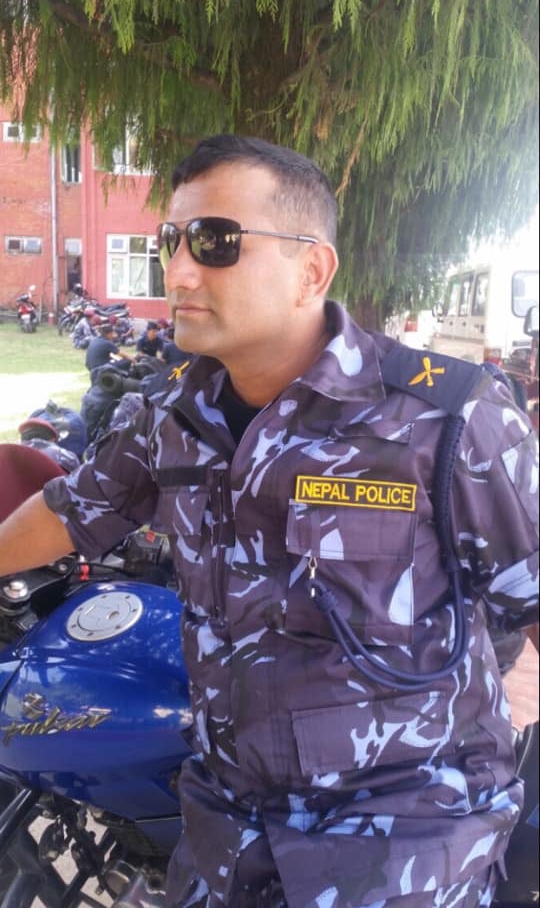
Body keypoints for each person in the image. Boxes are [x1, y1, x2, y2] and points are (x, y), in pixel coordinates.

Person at [0, 134, 537, 908]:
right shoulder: (168, 415)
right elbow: (70, 513)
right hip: (227, 827)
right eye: (172, 241)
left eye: (216, 243)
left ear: (311, 270)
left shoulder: (446, 420)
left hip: (405, 837)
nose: (179, 271)